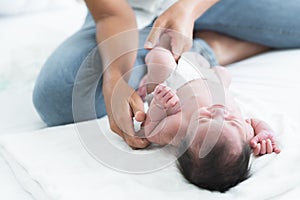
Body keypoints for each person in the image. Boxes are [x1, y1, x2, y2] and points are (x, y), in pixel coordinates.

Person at [32, 0, 300, 149]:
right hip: (129, 13)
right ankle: (206, 48)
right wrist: (117, 77)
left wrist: (188, 8)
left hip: (210, 4)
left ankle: (196, 44)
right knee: (58, 97)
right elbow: (111, 12)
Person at [136, 46, 281, 192]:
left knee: (160, 57)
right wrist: (265, 133)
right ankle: (192, 50)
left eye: (205, 119)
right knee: (223, 72)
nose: (219, 110)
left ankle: (150, 78)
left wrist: (159, 105)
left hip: (175, 82)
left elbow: (151, 130)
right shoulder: (244, 134)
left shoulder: (179, 129)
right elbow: (253, 122)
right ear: (244, 141)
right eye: (231, 121)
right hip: (212, 81)